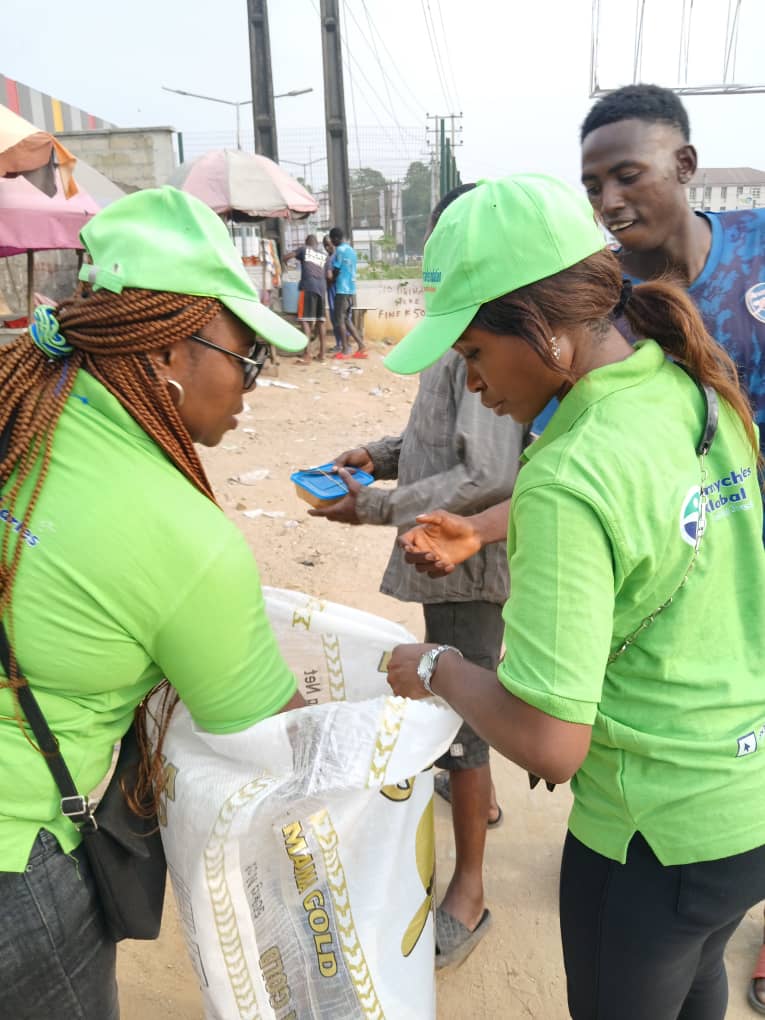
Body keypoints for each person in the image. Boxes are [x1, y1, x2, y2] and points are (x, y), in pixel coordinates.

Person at [384, 174, 765, 1020]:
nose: (472, 383)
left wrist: (437, 664)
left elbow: (552, 745)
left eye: (475, 353)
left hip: (653, 827)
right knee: (698, 981)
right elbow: (638, 504)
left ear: (544, 332)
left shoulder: (565, 473)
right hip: (744, 802)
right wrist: (485, 527)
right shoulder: (686, 383)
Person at [0, 186, 309, 1019]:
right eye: (246, 358)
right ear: (172, 350)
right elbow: (272, 733)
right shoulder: (183, 537)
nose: (250, 389)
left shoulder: (17, 405)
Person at [311, 185, 525, 970]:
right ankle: (483, 800)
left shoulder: (491, 342)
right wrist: (378, 452)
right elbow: (430, 437)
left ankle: (468, 892)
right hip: (444, 557)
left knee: (461, 718)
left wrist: (374, 507)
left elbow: (484, 475)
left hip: (467, 561)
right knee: (457, 697)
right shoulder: (452, 337)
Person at [284, 233, 327, 363]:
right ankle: (322, 355)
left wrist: (287, 266)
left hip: (308, 287)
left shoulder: (304, 249)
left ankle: (307, 355)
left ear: (307, 242)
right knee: (321, 321)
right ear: (317, 244)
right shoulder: (324, 255)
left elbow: (286, 257)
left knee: (305, 321)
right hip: (322, 288)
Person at [328, 225, 366, 359]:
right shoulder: (351, 250)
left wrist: (331, 280)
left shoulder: (339, 250)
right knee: (346, 319)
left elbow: (337, 269)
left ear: (336, 238)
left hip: (341, 289)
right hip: (351, 289)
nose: (331, 243)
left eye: (332, 240)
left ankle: (345, 349)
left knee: (339, 320)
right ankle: (361, 345)